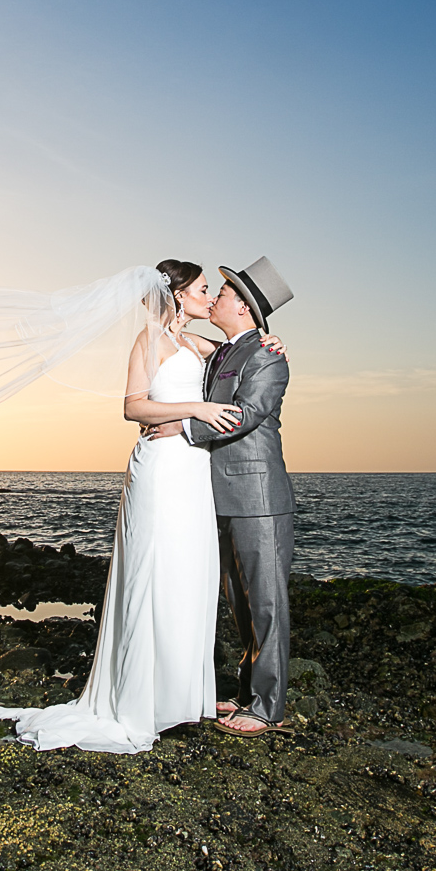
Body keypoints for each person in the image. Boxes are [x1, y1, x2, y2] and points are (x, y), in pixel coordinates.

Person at [0, 258, 279, 753]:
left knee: (188, 574)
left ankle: (182, 696)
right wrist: (195, 409)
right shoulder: (149, 340)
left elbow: (243, 354)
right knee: (152, 570)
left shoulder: (200, 345)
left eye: (212, 291)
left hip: (194, 471)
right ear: (178, 295)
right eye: (202, 289)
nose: (208, 296)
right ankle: (142, 698)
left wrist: (269, 339)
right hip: (160, 467)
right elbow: (133, 407)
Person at [151, 256, 295, 737]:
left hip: (258, 496)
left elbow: (247, 413)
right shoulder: (224, 352)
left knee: (267, 603)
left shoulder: (267, 357)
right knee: (238, 601)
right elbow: (176, 339)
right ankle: (246, 694)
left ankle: (268, 707)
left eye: (227, 292)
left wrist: (181, 427)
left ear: (247, 310)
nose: (217, 297)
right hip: (219, 496)